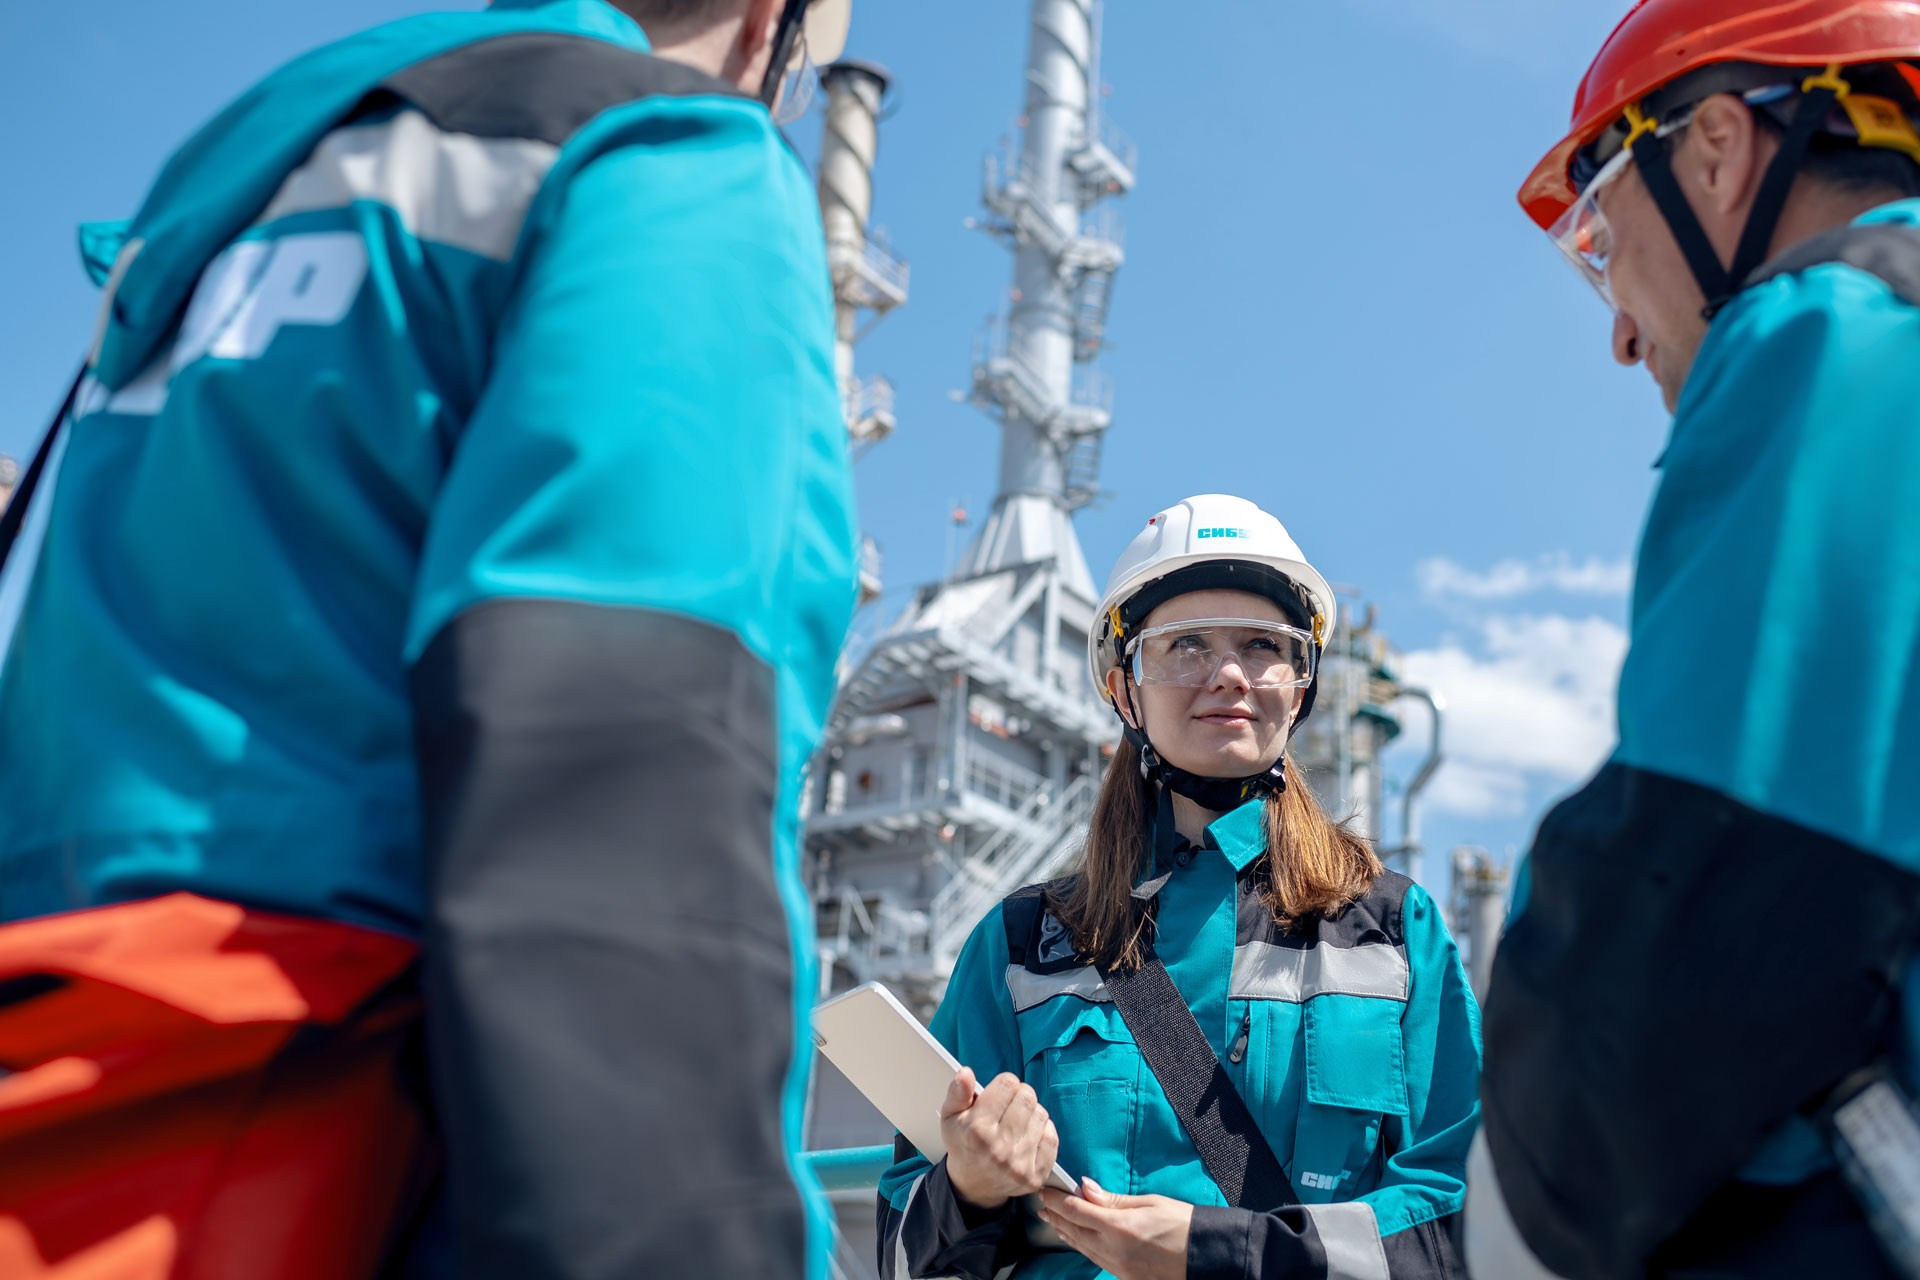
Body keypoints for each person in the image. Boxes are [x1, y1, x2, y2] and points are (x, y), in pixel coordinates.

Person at [0, 1, 857, 1276]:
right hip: (324, 1151)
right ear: (770, 23)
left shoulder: (230, 192)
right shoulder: (665, 163)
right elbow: (617, 789)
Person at [1471, 2, 1920, 1276]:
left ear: (1719, 149)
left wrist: (1530, 1197)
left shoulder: (1838, 330)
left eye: (1600, 237)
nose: (1617, 331)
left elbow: (1702, 900)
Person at [877, 494, 1482, 1280]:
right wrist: (968, 1187)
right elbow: (896, 1254)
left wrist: (1219, 1253)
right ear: (1123, 686)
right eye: (1184, 644)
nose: (1228, 674)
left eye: (1264, 645)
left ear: (1300, 685)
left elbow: (1462, 1217)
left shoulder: (1394, 931)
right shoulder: (1022, 944)